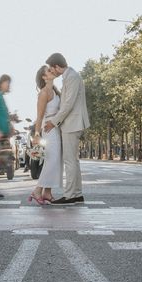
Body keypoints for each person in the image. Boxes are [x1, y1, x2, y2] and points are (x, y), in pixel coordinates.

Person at [43, 53, 90, 204]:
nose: (52, 71)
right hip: (72, 123)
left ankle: (70, 195)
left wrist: (53, 122)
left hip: (72, 124)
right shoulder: (69, 76)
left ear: (57, 66)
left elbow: (68, 104)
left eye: (52, 68)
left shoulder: (72, 77)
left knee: (70, 161)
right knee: (73, 161)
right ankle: (76, 194)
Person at [28, 66, 62, 204]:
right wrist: (37, 134)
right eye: (48, 71)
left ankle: (47, 193)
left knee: (55, 161)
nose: (51, 71)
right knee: (51, 161)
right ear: (44, 77)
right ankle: (37, 191)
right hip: (48, 130)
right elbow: (39, 116)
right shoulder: (43, 93)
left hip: (56, 128)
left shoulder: (55, 91)